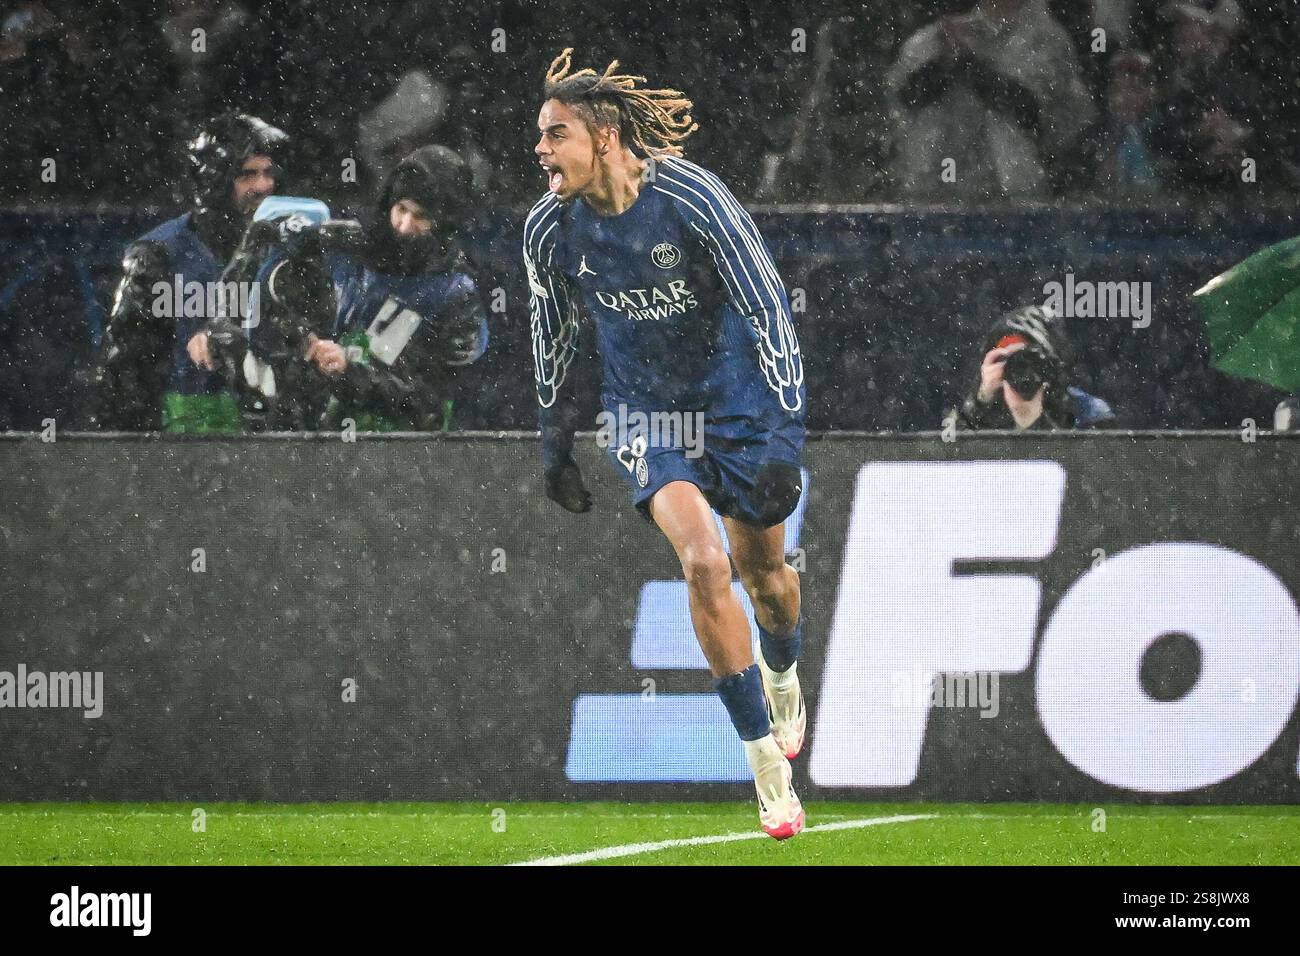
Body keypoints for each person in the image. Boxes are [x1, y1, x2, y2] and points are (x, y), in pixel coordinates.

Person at [524, 49, 807, 839]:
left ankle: (783, 670)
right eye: (539, 138)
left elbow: (769, 311)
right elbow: (551, 335)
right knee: (704, 560)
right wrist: (555, 439)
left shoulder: (692, 195)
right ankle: (765, 770)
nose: (541, 151)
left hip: (737, 408)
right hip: (645, 415)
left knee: (767, 578)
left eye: (556, 134)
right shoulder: (548, 227)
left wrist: (783, 433)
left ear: (605, 136)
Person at [187, 145, 488, 431]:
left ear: (445, 222)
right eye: (401, 209)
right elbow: (258, 276)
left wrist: (351, 371)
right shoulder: (345, 247)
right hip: (324, 443)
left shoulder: (457, 294)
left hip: (403, 455)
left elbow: (428, 403)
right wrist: (218, 331)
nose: (405, 225)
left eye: (421, 216)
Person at [91, 112, 288, 431]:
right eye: (247, 175)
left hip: (270, 430)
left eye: (268, 173)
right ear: (216, 180)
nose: (263, 185)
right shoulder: (159, 255)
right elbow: (124, 368)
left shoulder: (282, 248)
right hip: (185, 434)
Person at [954, 305, 1117, 430]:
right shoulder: (976, 415)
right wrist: (981, 402)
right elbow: (947, 465)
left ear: (1050, 362)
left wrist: (1038, 425)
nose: (1019, 367)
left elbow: (1095, 469)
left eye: (1029, 356)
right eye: (1005, 359)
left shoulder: (1088, 412)